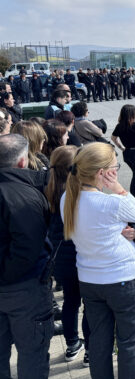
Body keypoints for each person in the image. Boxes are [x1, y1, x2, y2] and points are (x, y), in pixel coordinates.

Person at [61, 142, 135, 379]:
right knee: (129, 343)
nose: (116, 171)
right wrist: (118, 188)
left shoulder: (67, 198)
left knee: (99, 341)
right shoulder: (111, 203)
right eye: (114, 167)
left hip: (90, 279)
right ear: (102, 172)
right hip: (123, 280)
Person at [0, 134, 54, 378]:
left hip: (16, 282)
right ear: (23, 162)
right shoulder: (24, 196)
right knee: (32, 354)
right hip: (23, 288)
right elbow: (28, 248)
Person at [45, 145, 91, 366]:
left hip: (60, 259)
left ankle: (72, 344)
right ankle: (90, 349)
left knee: (70, 302)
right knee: (89, 305)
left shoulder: (48, 190)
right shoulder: (76, 194)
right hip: (80, 257)